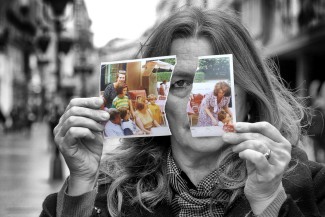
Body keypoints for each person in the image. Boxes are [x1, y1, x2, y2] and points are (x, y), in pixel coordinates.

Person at [41, 7, 325, 217]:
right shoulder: (104, 190)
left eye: (219, 82)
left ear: (249, 98)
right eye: (180, 83)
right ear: (156, 100)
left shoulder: (314, 186)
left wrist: (269, 201)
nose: (199, 102)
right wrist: (81, 184)